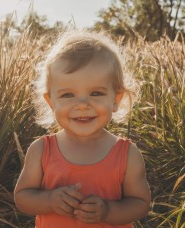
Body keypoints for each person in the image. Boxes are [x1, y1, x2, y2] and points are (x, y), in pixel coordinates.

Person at [14, 30, 151, 228]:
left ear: (116, 99)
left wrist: (107, 211)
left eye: (96, 93)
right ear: (51, 102)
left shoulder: (127, 154)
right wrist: (50, 200)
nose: (82, 104)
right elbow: (22, 198)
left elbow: (140, 204)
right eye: (68, 95)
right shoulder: (41, 150)